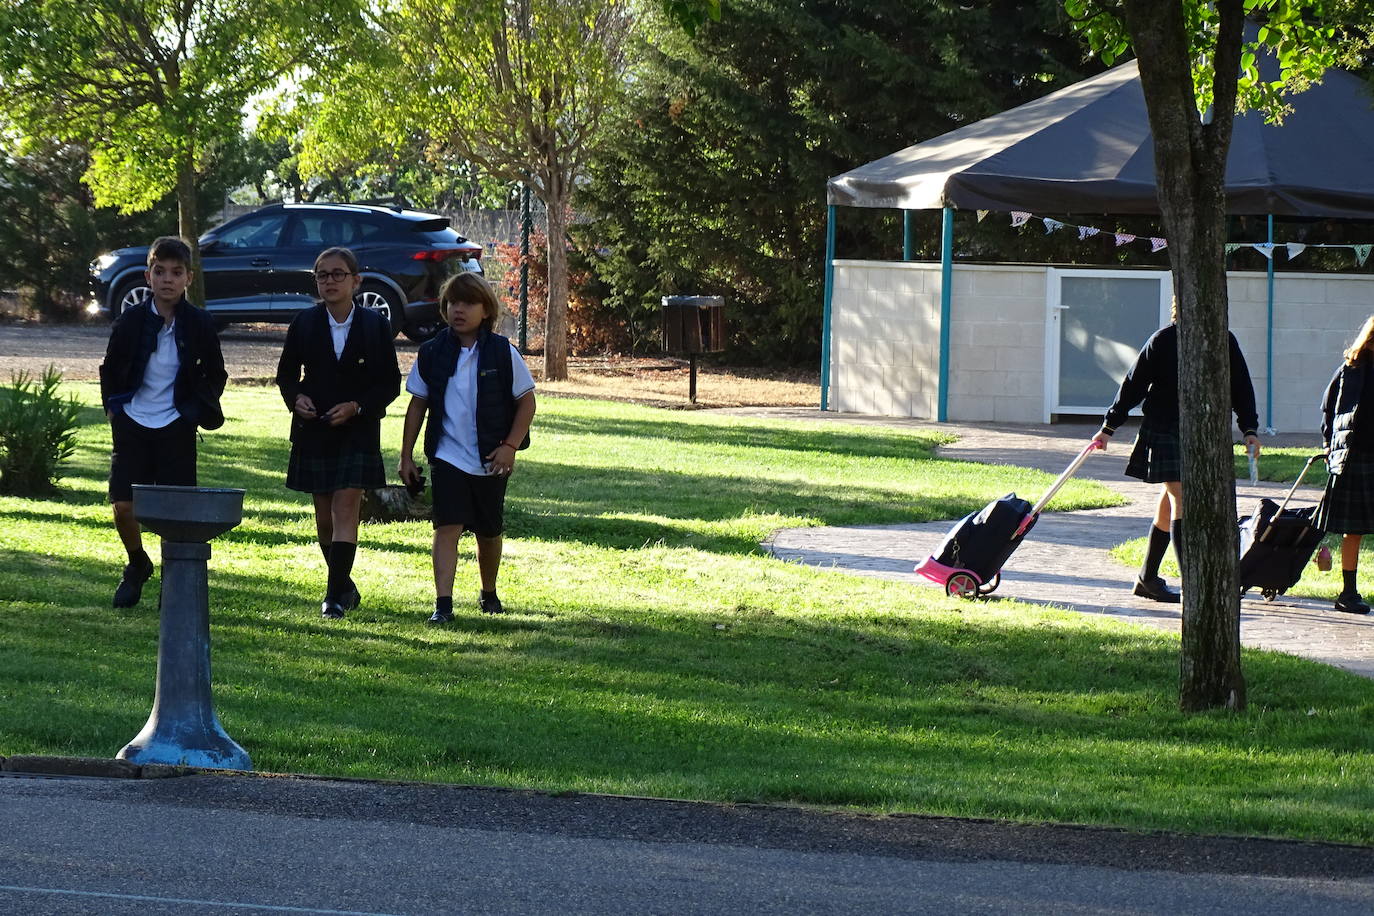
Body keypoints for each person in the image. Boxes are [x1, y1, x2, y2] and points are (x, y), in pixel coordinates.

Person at [1090, 303, 1261, 603]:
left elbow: (1241, 385)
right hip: (1164, 427)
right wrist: (1108, 427)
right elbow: (1133, 384)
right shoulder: (1163, 340)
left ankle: (1147, 578)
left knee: (1172, 501)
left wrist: (1250, 429)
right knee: (1182, 497)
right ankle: (1192, 585)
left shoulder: (1224, 340)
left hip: (1203, 430)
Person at [398, 272, 536, 624]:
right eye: (452, 303)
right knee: (447, 525)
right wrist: (406, 455)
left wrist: (509, 446)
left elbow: (526, 402)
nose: (459, 310)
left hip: (492, 457)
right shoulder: (431, 353)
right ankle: (442, 605)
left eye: (468, 303)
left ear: (486, 309)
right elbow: (418, 405)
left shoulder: (503, 352)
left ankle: (488, 592)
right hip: (447, 456)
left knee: (489, 530)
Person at [99, 236, 227, 607]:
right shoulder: (131, 321)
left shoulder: (200, 323)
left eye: (176, 272)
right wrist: (114, 409)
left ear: (189, 277)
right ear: (148, 275)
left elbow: (216, 374)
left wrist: (193, 412)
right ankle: (137, 564)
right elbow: (111, 367)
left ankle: (173, 583)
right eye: (159, 271)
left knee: (175, 509)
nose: (167, 279)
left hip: (176, 424)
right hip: (133, 420)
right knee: (124, 504)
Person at [275, 247, 401, 620]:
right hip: (315, 430)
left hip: (358, 431)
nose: (329, 281)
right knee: (324, 516)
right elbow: (286, 377)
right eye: (322, 275)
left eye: (338, 274)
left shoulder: (375, 325)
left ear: (356, 281)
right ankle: (344, 584)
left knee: (346, 507)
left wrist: (357, 407)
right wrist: (296, 398)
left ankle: (332, 597)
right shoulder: (304, 323)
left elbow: (389, 383)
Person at [1316, 316, 1374, 615]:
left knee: (1356, 532)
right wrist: (1329, 446)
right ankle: (1348, 593)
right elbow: (1329, 410)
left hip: (1361, 458)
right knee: (1354, 531)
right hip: (1355, 458)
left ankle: (1349, 592)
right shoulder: (1350, 370)